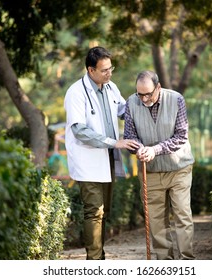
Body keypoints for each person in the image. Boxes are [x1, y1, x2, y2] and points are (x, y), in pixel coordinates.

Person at [64, 46, 140, 260]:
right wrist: (114, 142)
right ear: (90, 70)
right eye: (104, 70)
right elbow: (79, 130)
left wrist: (144, 104)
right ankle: (95, 261)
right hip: (88, 159)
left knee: (103, 211)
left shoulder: (110, 87)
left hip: (108, 159)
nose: (109, 73)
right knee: (94, 211)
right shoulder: (76, 92)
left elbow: (124, 110)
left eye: (110, 68)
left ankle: (99, 254)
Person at [124, 70, 195, 260]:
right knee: (155, 220)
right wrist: (138, 148)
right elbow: (130, 136)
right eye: (140, 94)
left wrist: (155, 149)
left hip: (179, 168)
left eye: (148, 94)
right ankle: (165, 265)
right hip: (151, 171)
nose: (144, 98)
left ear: (158, 87)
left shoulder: (176, 99)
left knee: (182, 215)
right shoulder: (131, 102)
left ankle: (187, 261)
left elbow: (181, 136)